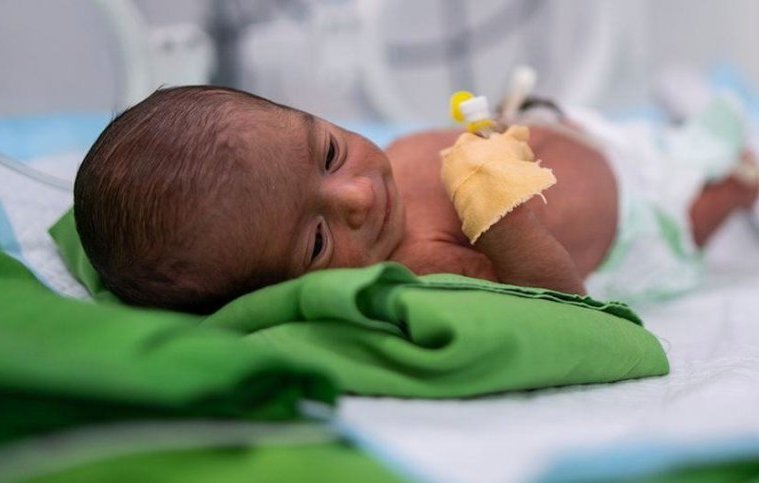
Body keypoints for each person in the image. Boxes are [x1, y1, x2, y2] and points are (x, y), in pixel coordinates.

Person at [73, 86, 758, 313]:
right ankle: (732, 189)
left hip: (595, 142)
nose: (357, 194)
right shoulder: (418, 264)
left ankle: (684, 138)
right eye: (317, 240)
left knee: (666, 138)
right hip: (639, 221)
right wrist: (505, 226)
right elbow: (563, 303)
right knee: (704, 200)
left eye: (329, 152)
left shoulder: (393, 156)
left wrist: (504, 123)